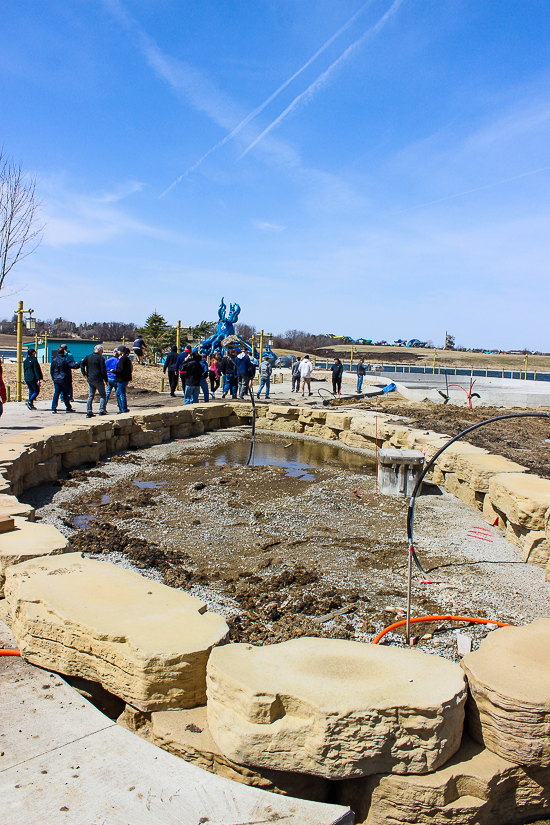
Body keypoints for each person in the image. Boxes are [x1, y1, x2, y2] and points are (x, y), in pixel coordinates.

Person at [81, 344, 108, 418]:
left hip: (90, 379)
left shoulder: (88, 357)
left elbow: (82, 365)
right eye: (102, 351)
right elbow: (103, 370)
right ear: (99, 350)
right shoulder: (101, 358)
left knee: (91, 395)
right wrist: (106, 380)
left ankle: (89, 410)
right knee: (102, 395)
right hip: (98, 379)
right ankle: (102, 409)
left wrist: (84, 374)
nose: (102, 352)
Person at [50, 346, 78, 412]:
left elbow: (52, 371)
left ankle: (54, 408)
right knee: (66, 394)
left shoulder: (54, 360)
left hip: (57, 379)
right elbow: (74, 366)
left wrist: (53, 378)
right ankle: (68, 408)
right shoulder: (65, 360)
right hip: (65, 379)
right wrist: (80, 362)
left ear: (57, 352)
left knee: (56, 394)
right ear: (64, 352)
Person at [115, 346, 132, 413]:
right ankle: (122, 408)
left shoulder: (123, 359)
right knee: (119, 393)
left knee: (121, 394)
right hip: (126, 378)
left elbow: (121, 369)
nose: (118, 352)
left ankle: (123, 408)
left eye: (118, 350)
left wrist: (113, 371)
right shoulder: (127, 359)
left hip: (122, 379)